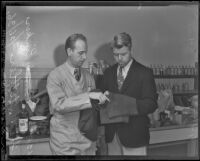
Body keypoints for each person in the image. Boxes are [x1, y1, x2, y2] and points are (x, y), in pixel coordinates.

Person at [46, 33, 109, 155]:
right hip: (65, 143)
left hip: (87, 142)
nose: (85, 57)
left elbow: (93, 109)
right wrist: (89, 97)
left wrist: (102, 99)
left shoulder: (88, 76)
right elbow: (59, 105)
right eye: (80, 53)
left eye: (86, 52)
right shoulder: (55, 76)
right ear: (69, 51)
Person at [98, 32, 158, 155]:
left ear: (130, 49)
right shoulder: (108, 73)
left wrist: (124, 105)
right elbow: (101, 100)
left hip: (135, 136)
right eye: (115, 55)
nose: (119, 58)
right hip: (112, 137)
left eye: (123, 54)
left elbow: (151, 104)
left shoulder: (144, 73)